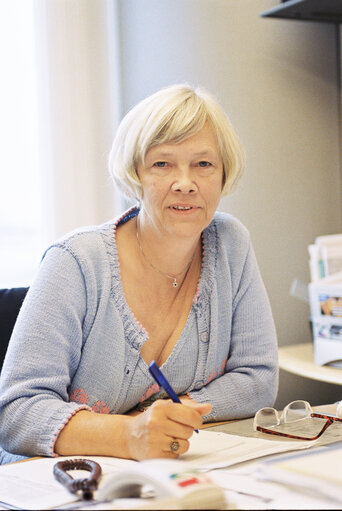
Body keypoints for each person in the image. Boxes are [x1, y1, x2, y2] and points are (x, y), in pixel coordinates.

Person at [0, 84, 278, 464]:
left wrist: (168, 421)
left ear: (224, 172)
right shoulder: (75, 262)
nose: (186, 182)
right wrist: (129, 434)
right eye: (162, 164)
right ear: (135, 173)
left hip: (172, 470)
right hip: (58, 482)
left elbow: (257, 378)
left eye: (203, 164)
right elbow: (15, 412)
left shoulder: (231, 244)